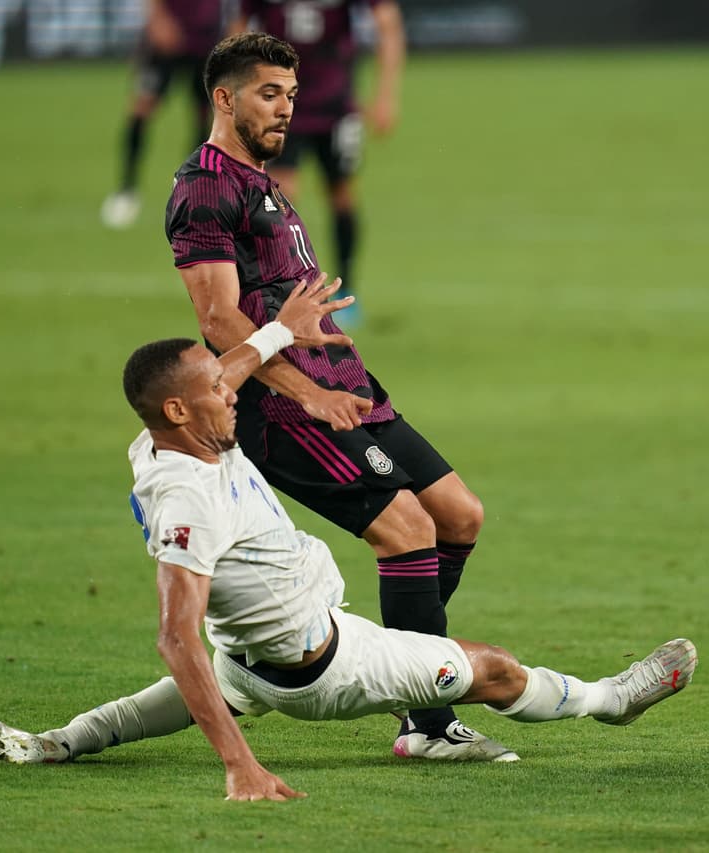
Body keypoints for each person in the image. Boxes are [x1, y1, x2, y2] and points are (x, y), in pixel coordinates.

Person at [0, 310, 699, 802]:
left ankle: (53, 743)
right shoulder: (188, 500)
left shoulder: (167, 437)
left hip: (245, 664)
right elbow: (174, 635)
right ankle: (610, 700)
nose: (232, 393)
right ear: (178, 411)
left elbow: (226, 370)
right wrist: (242, 766)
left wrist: (278, 330)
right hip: (325, 668)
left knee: (147, 713)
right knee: (495, 669)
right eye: (216, 390)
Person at [163, 32, 500, 761]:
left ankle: (400, 666)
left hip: (347, 386)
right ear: (223, 98)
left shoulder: (259, 177)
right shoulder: (205, 187)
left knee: (459, 515)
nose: (287, 108)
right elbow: (218, 319)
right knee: (406, 528)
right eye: (268, 94)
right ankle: (428, 722)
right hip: (285, 407)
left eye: (290, 94)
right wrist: (308, 390)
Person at [241, 0, 406, 322]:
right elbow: (237, 30)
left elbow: (388, 22)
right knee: (280, 198)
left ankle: (347, 291)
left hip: (336, 106)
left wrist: (386, 95)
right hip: (281, 107)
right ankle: (280, 292)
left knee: (341, 195)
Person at [100, 0, 244, 229]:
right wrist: (158, 20)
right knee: (141, 109)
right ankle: (127, 190)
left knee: (206, 119)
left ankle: (194, 192)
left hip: (207, 41)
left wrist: (234, 34)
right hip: (167, 40)